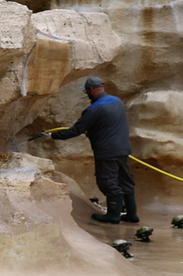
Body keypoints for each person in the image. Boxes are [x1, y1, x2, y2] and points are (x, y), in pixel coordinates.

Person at [38, 76, 138, 224]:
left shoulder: (93, 110)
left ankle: (113, 216)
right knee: (125, 179)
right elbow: (108, 124)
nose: (87, 95)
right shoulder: (118, 102)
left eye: (86, 92)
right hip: (123, 148)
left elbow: (75, 131)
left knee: (108, 181)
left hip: (106, 151)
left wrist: (52, 136)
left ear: (91, 90)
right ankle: (132, 214)